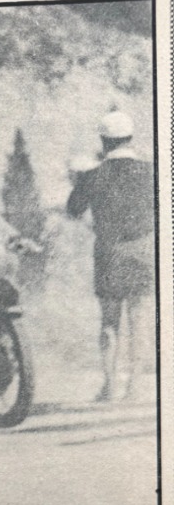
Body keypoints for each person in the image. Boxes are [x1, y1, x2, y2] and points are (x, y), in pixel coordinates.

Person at [67, 110, 154, 403]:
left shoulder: (92, 175)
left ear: (104, 141)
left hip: (109, 251)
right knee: (139, 319)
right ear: (130, 137)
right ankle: (135, 387)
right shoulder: (150, 171)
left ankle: (109, 386)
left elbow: (73, 210)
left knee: (109, 322)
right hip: (143, 249)